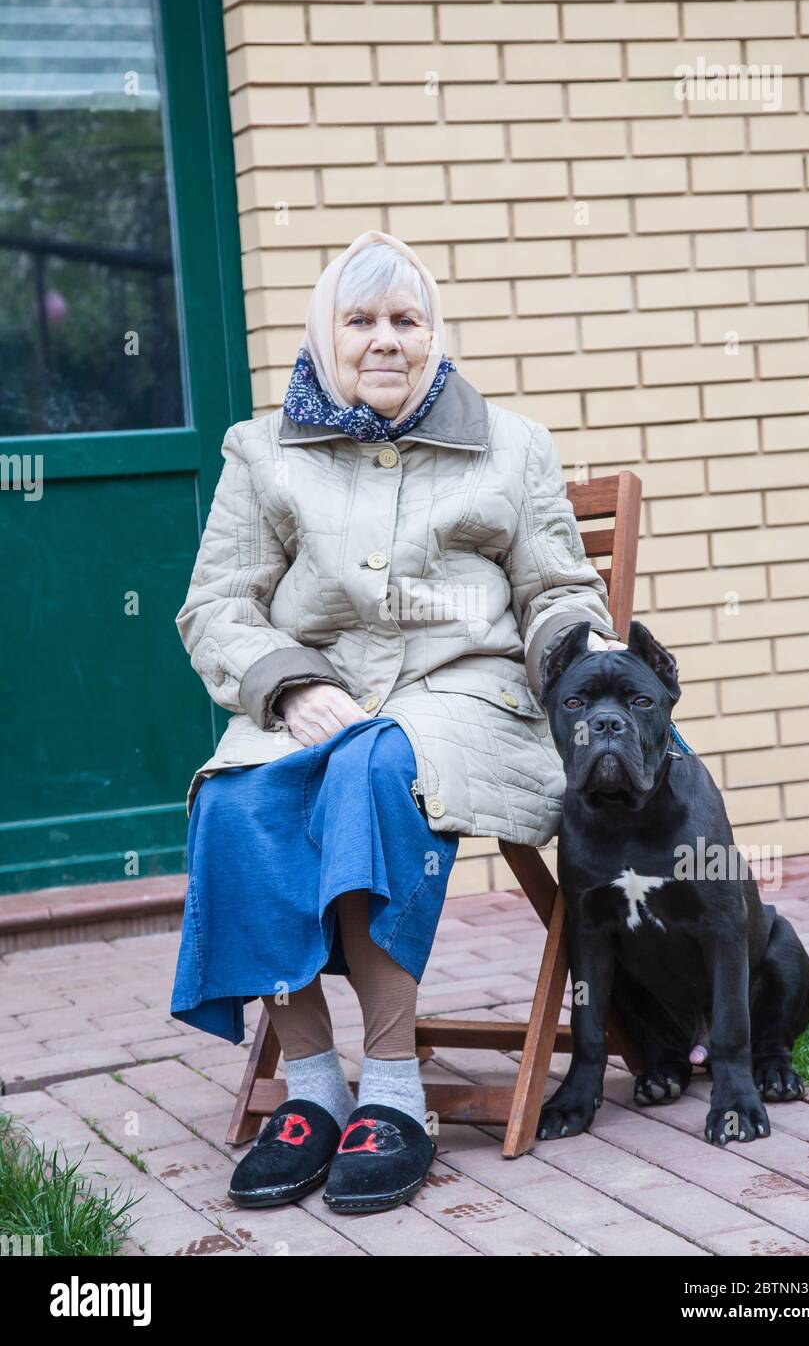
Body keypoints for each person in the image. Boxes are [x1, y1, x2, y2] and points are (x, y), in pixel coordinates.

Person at [169, 229, 626, 1216]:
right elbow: (217, 609)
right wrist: (286, 685)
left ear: (434, 334)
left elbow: (554, 589)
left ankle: (390, 1090)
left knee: (376, 766)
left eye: (405, 320)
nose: (385, 339)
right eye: (360, 319)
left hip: (465, 693)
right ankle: (310, 1091)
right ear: (324, 336)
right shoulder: (262, 452)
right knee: (235, 798)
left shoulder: (511, 446)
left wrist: (579, 649)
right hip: (314, 693)